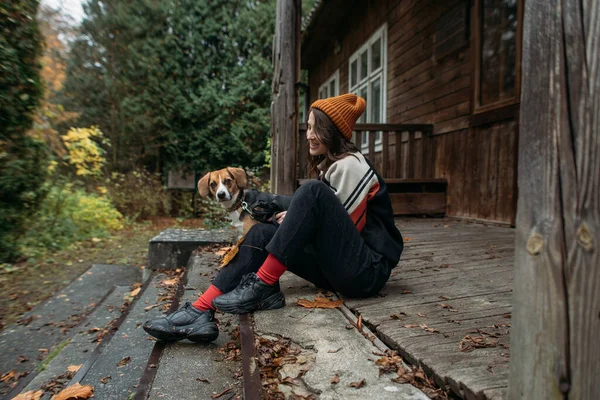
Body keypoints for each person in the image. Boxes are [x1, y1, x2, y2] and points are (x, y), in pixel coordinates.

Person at [143, 93, 404, 343]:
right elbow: (331, 230)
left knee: (311, 191)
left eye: (316, 129)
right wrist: (288, 220)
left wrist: (294, 220)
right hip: (338, 269)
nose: (309, 135)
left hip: (366, 272)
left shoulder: (352, 165)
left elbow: (348, 228)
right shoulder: (334, 167)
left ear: (333, 131)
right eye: (308, 128)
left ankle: (264, 284)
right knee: (259, 233)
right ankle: (201, 310)